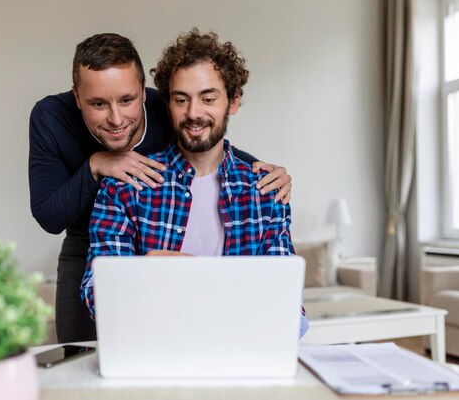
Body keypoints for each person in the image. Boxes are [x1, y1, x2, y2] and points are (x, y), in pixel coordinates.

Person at [29, 33, 294, 343]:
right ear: (77, 97)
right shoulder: (56, 122)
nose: (116, 118)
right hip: (88, 235)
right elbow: (49, 215)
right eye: (99, 103)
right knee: (80, 351)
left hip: (223, 340)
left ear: (144, 94)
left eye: (127, 100)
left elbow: (208, 144)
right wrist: (96, 165)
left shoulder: (168, 106)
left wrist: (263, 176)